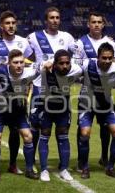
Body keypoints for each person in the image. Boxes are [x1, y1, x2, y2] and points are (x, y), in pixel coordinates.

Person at [0, 10, 34, 175]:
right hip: (0, 95)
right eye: (7, 23)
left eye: (13, 23)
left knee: (15, 133)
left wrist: (26, 91)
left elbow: (28, 65)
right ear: (1, 26)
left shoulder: (23, 42)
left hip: (17, 96)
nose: (11, 26)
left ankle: (13, 164)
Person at [27, 7, 76, 170]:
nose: (55, 20)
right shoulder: (34, 37)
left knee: (62, 127)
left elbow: (77, 56)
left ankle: (62, 164)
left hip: (61, 88)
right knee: (35, 126)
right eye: (52, 18)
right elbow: (23, 55)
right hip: (39, 87)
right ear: (45, 20)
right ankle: (31, 159)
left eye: (57, 17)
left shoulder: (67, 37)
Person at [73, 11, 115, 169]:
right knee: (83, 129)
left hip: (105, 95)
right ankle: (81, 160)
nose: (97, 24)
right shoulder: (80, 43)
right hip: (86, 95)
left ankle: (104, 157)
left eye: (100, 22)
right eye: (94, 22)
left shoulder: (110, 43)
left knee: (106, 127)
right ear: (88, 24)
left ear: (103, 24)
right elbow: (77, 68)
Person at [77, 42, 115, 179]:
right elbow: (67, 62)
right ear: (97, 57)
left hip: (106, 105)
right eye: (104, 58)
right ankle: (85, 167)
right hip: (86, 105)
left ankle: (110, 167)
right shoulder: (87, 64)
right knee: (85, 133)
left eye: (109, 58)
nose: (107, 61)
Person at [0, 49, 40, 181]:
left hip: (17, 109)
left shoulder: (30, 72)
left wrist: (48, 64)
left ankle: (28, 170)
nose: (19, 65)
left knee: (28, 137)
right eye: (15, 62)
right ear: (9, 63)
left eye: (21, 62)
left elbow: (44, 65)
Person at [38, 49, 82, 182]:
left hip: (63, 109)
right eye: (61, 63)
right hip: (46, 107)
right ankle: (44, 169)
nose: (65, 66)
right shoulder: (44, 70)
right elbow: (38, 65)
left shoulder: (76, 70)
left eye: (67, 63)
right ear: (55, 64)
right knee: (44, 136)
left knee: (63, 137)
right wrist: (47, 62)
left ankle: (64, 169)